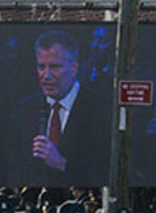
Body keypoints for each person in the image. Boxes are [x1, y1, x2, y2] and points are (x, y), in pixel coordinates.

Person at [15, 30, 111, 186]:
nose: (46, 75)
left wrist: (62, 164)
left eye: (54, 67)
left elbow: (109, 173)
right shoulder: (23, 110)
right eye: (41, 67)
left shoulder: (103, 110)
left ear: (73, 68)